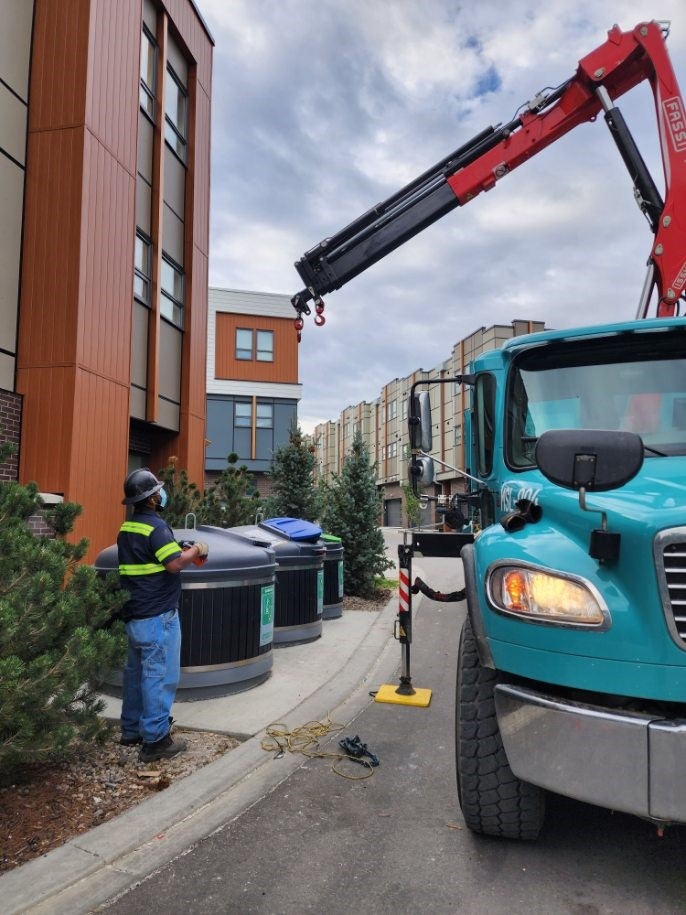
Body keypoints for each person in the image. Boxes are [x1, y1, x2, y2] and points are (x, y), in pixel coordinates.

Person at [117, 468, 209, 762]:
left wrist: (179, 550)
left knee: (135, 675)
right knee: (159, 675)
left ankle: (131, 730)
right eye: (158, 491)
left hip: (134, 614)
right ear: (152, 499)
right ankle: (155, 740)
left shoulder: (128, 528)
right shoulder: (156, 527)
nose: (161, 494)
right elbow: (173, 564)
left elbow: (153, 557)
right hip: (158, 616)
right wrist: (195, 549)